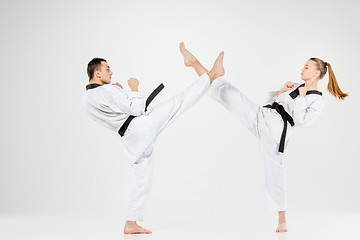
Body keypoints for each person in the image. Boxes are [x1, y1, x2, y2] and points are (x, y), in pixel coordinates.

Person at [83, 42, 224, 234]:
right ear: (97, 73)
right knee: (179, 102)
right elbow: (136, 109)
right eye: (107, 69)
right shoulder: (107, 91)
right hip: (140, 126)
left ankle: (131, 223)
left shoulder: (88, 98)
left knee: (141, 178)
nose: (111, 72)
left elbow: (114, 112)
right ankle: (212, 75)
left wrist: (118, 92)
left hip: (130, 138)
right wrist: (133, 88)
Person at [205, 57, 348, 232]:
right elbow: (273, 101)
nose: (302, 69)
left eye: (307, 67)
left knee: (275, 173)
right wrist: (282, 90)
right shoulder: (295, 86)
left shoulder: (317, 100)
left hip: (276, 132)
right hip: (263, 116)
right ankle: (200, 70)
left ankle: (282, 220)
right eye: (303, 65)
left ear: (316, 73)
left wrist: (302, 98)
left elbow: (303, 120)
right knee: (229, 92)